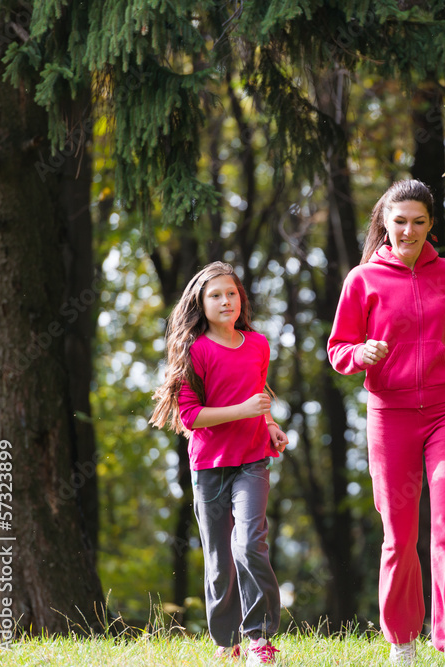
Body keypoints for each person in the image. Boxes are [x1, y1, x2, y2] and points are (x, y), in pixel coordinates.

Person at [328, 180, 445, 667]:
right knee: (399, 534)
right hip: (389, 414)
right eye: (400, 221)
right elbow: (338, 348)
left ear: (430, 225)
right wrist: (362, 353)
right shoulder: (362, 280)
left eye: (419, 222)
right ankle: (402, 641)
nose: (409, 230)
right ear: (384, 221)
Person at [150, 261, 288, 666]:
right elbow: (190, 417)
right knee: (218, 561)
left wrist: (269, 423)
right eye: (216, 295)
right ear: (200, 303)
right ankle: (227, 642)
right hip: (209, 465)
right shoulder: (196, 350)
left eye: (231, 293)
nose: (226, 301)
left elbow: (256, 393)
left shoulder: (258, 343)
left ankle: (259, 637)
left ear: (241, 298)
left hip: (252, 459)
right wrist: (243, 409)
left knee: (249, 543)